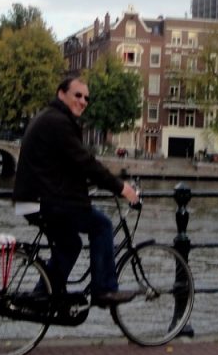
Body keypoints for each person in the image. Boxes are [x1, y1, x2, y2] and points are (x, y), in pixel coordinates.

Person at [13, 74, 140, 307]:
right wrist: (121, 187)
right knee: (102, 225)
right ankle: (104, 290)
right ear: (61, 94)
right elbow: (85, 162)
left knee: (70, 244)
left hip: (32, 199)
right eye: (77, 95)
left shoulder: (50, 118)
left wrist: (87, 186)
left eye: (86, 98)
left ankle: (44, 294)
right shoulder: (59, 122)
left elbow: (64, 165)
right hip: (47, 200)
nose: (83, 101)